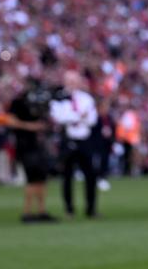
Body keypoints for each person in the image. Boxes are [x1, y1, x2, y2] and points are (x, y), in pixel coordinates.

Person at [49, 70, 99, 217]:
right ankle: (69, 208)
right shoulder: (59, 98)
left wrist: (74, 117)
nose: (72, 83)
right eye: (69, 80)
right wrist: (78, 116)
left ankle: (91, 208)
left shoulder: (86, 98)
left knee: (90, 175)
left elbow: (92, 119)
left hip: (84, 139)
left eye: (74, 80)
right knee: (67, 176)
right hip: (68, 139)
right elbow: (59, 117)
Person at [8, 80, 57, 222]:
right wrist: (30, 126)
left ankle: (41, 211)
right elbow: (10, 121)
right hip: (26, 146)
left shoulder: (41, 103)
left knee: (42, 178)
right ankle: (27, 212)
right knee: (31, 179)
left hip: (38, 145)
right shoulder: (18, 103)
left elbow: (46, 121)